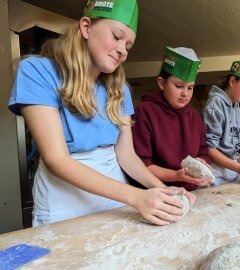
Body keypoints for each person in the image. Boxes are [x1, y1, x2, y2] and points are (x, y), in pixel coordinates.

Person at [8, 0, 194, 227]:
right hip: (63, 203)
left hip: (115, 201)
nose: (122, 50)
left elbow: (126, 156)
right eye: (117, 36)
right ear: (86, 27)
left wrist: (163, 191)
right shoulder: (37, 72)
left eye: (128, 45)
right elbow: (56, 159)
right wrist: (136, 197)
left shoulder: (120, 89)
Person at [132, 46, 213, 191]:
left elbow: (203, 151)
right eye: (179, 86)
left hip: (191, 191)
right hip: (155, 192)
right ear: (161, 83)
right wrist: (177, 175)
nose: (185, 94)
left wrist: (201, 162)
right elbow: (140, 164)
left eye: (190, 88)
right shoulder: (145, 112)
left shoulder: (195, 116)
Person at [202, 61, 240, 185]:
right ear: (232, 81)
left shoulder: (238, 109)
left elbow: (237, 149)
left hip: (233, 172)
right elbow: (209, 148)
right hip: (216, 175)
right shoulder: (215, 104)